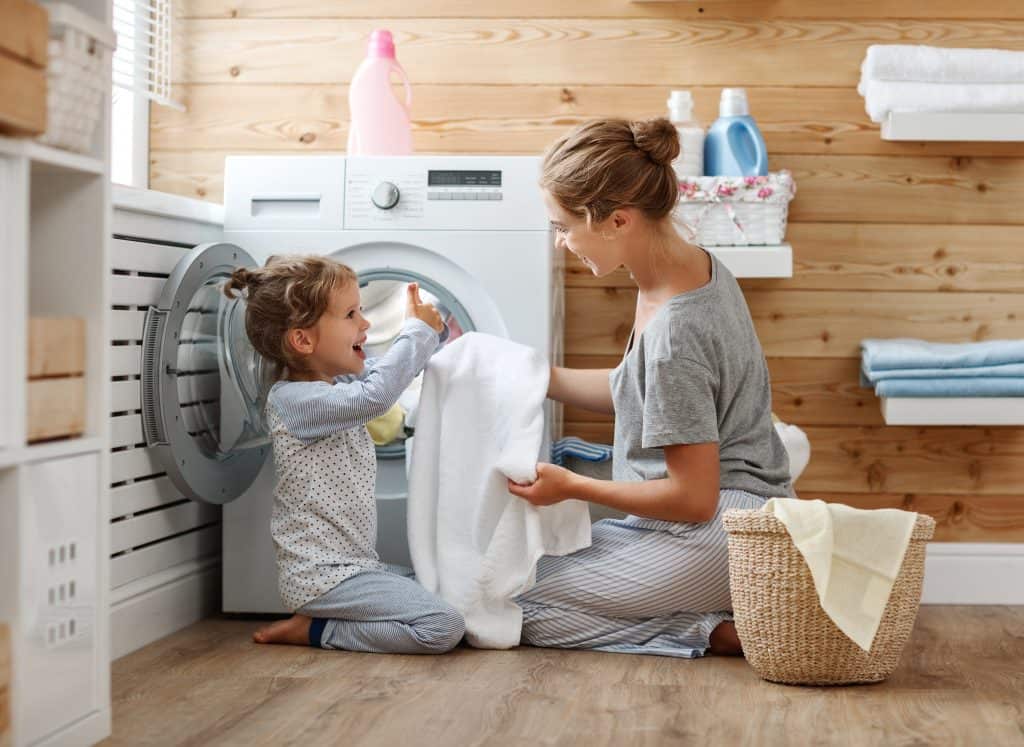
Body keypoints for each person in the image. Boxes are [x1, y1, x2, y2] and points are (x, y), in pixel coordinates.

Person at [509, 118, 793, 658]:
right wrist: (527, 376)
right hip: (735, 520)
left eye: (563, 226)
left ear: (617, 220)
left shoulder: (674, 332)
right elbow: (635, 389)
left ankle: (707, 630)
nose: (562, 242)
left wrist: (572, 486)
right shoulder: (693, 269)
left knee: (504, 597)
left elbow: (691, 498)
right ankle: (704, 614)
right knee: (515, 570)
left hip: (719, 534)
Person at [224, 255, 465, 653]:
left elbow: (377, 377)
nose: (365, 323)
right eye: (351, 314)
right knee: (443, 625)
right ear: (303, 340)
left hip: (355, 570)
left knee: (443, 584)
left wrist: (430, 334)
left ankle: (320, 620)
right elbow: (377, 394)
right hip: (321, 577)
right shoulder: (295, 401)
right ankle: (318, 631)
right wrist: (417, 333)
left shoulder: (335, 387)